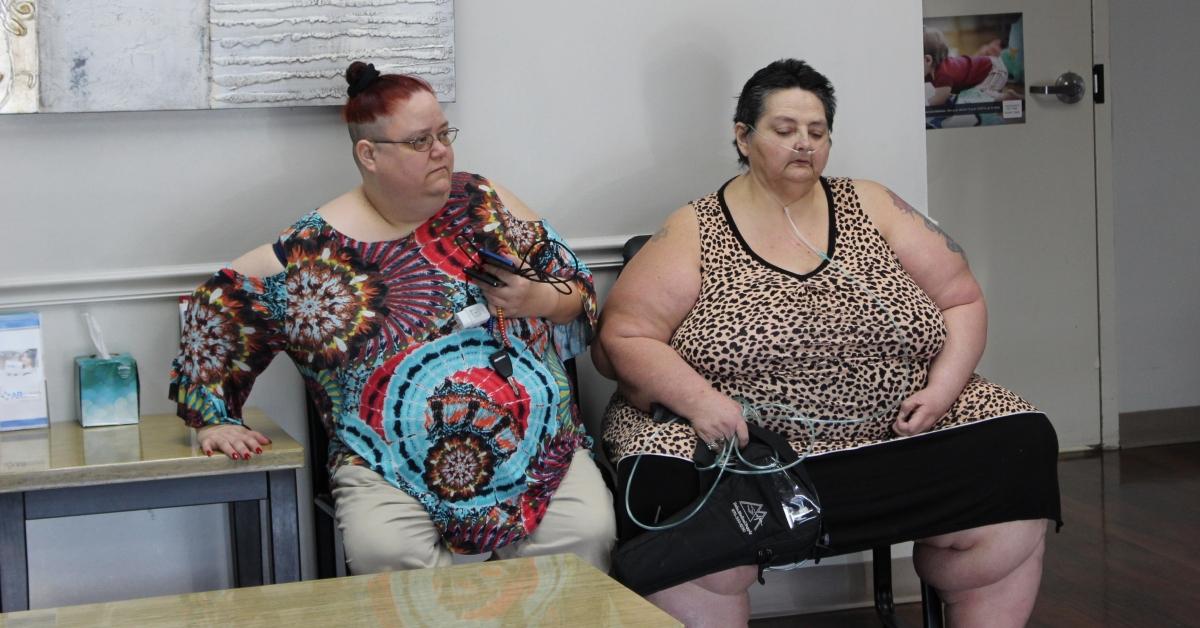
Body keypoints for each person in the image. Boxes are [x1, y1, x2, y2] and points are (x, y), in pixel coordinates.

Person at [594, 58, 1060, 627]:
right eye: (785, 131)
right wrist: (701, 402)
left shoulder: (873, 204)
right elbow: (622, 336)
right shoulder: (696, 227)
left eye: (817, 133)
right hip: (754, 452)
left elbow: (961, 298)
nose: (804, 145)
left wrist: (942, 390)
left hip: (897, 435)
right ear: (743, 136)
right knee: (662, 482)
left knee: (1021, 441)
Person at [169, 62, 615, 573]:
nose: (441, 150)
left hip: (537, 447)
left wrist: (536, 299)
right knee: (387, 552)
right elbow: (218, 310)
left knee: (587, 532)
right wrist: (211, 419)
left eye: (444, 134)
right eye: (420, 141)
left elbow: (576, 288)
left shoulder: (485, 203)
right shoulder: (310, 253)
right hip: (386, 466)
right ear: (369, 154)